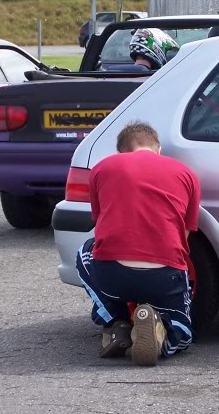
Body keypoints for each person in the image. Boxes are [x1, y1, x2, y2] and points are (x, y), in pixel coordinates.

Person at [75, 121, 201, 366]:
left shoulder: (102, 168)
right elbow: (184, 235)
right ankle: (164, 332)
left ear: (121, 153)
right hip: (164, 278)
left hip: (114, 276)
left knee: (84, 252)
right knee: (185, 332)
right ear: (159, 148)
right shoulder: (187, 174)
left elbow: (100, 224)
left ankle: (116, 321)